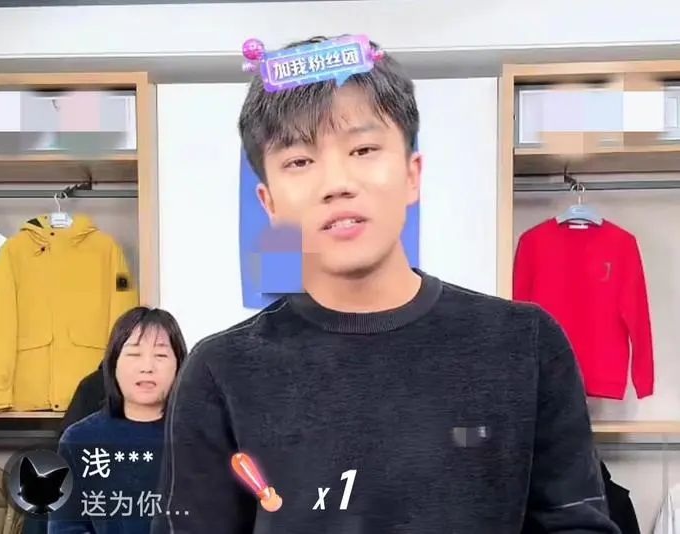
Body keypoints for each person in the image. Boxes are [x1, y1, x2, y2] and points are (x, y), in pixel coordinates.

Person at [152, 35, 619, 533]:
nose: (337, 183)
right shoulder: (220, 372)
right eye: (300, 161)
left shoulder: (524, 343)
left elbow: (576, 523)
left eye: (364, 149)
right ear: (269, 204)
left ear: (412, 175)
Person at [48, 307, 187, 534]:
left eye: (160, 355)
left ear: (180, 366)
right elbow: (66, 527)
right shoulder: (79, 439)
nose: (147, 367)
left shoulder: (201, 437)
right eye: (134, 354)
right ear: (113, 364)